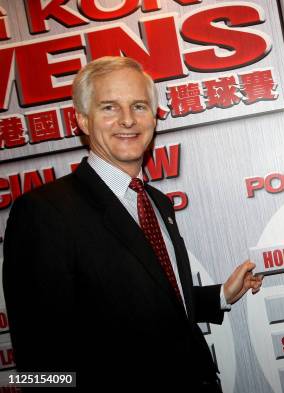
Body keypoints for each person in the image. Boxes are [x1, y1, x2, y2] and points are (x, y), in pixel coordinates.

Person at [2, 56, 263, 391]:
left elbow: (137, 302)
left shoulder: (157, 201)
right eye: (109, 107)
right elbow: (39, 361)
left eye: (139, 106)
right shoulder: (43, 212)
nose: (127, 120)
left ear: (153, 118)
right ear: (82, 119)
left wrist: (220, 296)